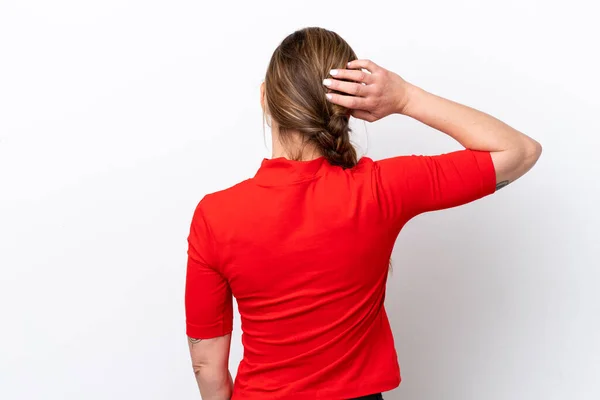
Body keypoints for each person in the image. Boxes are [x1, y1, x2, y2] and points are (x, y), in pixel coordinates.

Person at [184, 27, 542, 400]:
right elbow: (520, 151)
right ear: (347, 105)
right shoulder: (379, 189)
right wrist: (405, 98)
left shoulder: (215, 215)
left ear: (265, 98)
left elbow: (206, 362)